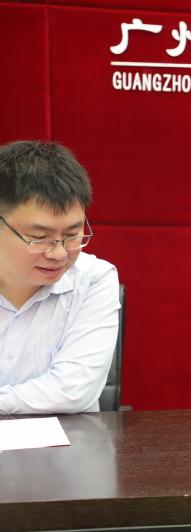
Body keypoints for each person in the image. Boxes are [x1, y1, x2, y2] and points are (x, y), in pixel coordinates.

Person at [0, 140, 120, 414]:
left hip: (66, 439)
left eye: (72, 235)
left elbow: (72, 392)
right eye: (40, 237)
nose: (59, 254)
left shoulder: (93, 279)